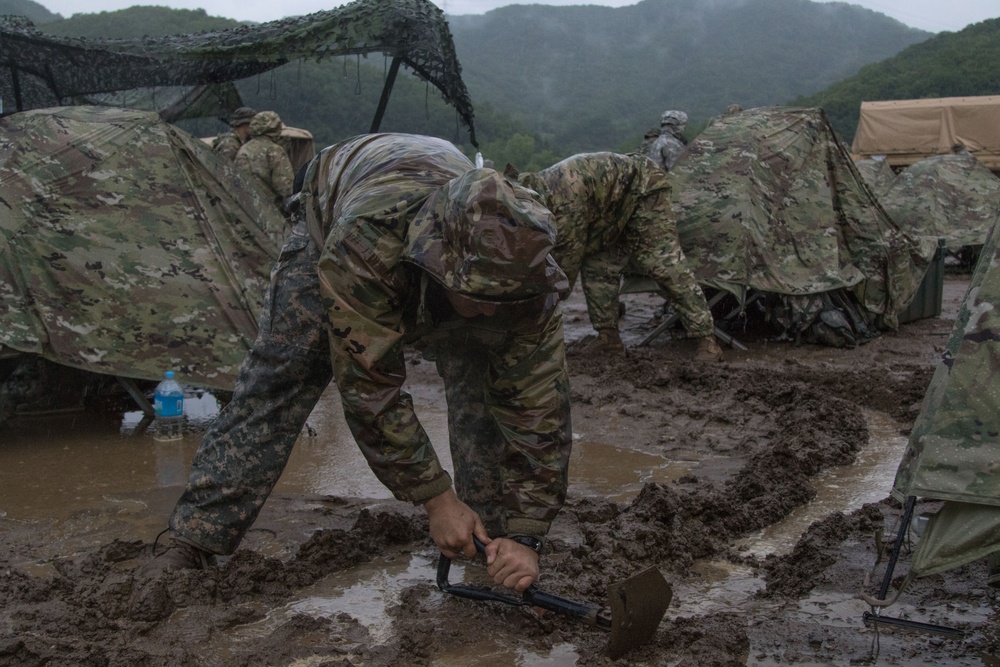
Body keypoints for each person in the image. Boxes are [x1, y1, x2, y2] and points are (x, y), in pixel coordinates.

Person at [141, 133, 573, 594]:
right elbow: (370, 387)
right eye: (480, 298)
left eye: (503, 299)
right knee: (284, 374)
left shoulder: (525, 275)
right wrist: (435, 499)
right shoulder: (366, 244)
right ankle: (194, 537)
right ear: (440, 264)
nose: (492, 311)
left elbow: (539, 407)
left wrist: (528, 534)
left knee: (482, 381)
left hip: (435, 236)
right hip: (338, 213)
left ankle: (491, 535)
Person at [510, 151, 723, 362]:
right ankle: (609, 340)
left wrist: (525, 311)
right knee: (598, 268)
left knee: (663, 262)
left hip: (644, 189)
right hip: (610, 210)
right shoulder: (539, 191)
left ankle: (707, 340)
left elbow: (564, 270)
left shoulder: (563, 201)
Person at [234, 110, 295, 210]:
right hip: (271, 212)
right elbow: (286, 188)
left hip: (247, 210)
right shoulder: (274, 150)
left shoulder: (243, 150)